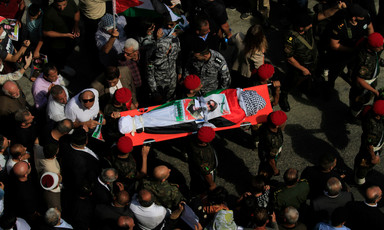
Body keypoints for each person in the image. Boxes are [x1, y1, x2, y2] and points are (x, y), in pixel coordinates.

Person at [327, 3, 374, 88]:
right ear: (354, 18)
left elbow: (370, 28)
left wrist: (371, 42)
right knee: (335, 71)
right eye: (361, 16)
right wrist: (351, 50)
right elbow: (334, 45)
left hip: (358, 49)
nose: (363, 17)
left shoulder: (365, 17)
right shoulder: (340, 26)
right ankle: (329, 86)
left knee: (354, 67)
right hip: (342, 52)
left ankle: (350, 76)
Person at [280, 13, 317, 112]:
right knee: (291, 81)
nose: (311, 26)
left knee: (308, 77)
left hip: (311, 61)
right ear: (301, 28)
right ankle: (283, 95)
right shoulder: (290, 38)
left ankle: (305, 87)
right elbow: (289, 58)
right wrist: (302, 69)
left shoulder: (307, 30)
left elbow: (324, 14)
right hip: (298, 66)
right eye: (308, 25)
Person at [349, 32, 384, 117]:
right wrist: (373, 90)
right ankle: (354, 116)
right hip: (363, 86)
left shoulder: (368, 45)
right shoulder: (365, 60)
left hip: (370, 80)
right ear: (372, 47)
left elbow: (376, 58)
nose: (381, 48)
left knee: (366, 98)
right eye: (379, 47)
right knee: (358, 101)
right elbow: (360, 79)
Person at [146, 21, 181, 104]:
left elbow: (178, 59)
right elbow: (149, 75)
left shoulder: (175, 43)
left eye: (167, 50)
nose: (165, 53)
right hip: (159, 86)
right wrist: (155, 92)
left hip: (172, 83)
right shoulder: (152, 55)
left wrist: (180, 73)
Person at [42, 0, 80, 70]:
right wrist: (65, 35)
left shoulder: (71, 2)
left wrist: (76, 25)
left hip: (70, 39)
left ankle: (63, 66)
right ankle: (59, 71)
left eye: (64, 5)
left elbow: (77, 12)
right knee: (57, 60)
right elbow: (46, 32)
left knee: (67, 54)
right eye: (59, 5)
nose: (62, 8)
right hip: (57, 45)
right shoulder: (49, 13)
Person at [354, 100, 384, 185]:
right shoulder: (372, 129)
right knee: (364, 165)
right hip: (370, 151)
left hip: (373, 144)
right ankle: (359, 181)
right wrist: (374, 157)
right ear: (378, 116)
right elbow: (369, 146)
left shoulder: (369, 109)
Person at [188, 126, 217, 194]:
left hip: (193, 167)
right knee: (201, 188)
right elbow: (206, 173)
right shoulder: (204, 155)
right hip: (202, 174)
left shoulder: (193, 139)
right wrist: (212, 184)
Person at [258, 110, 287, 177]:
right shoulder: (275, 142)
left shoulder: (266, 125)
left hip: (263, 149)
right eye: (283, 122)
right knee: (265, 174)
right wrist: (275, 170)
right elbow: (271, 160)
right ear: (277, 126)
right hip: (267, 159)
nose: (285, 123)